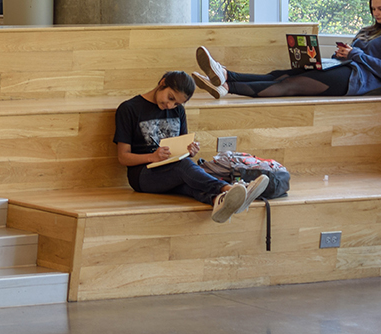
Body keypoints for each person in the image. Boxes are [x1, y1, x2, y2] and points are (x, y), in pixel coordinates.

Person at [194, 0, 381, 99]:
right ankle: (226, 74)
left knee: (290, 85)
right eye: (373, 9)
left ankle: (228, 87)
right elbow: (356, 55)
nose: (376, 13)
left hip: (354, 80)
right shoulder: (369, 30)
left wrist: (355, 55)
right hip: (342, 68)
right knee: (281, 74)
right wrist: (343, 54)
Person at [115, 71, 268, 223]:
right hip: (142, 175)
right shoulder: (129, 109)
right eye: (170, 98)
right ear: (162, 83)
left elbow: (180, 151)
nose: (170, 105)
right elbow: (123, 157)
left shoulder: (178, 111)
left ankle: (218, 200)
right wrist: (152, 157)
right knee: (185, 167)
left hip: (172, 169)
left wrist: (189, 151)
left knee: (188, 182)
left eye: (176, 103)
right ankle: (229, 189)